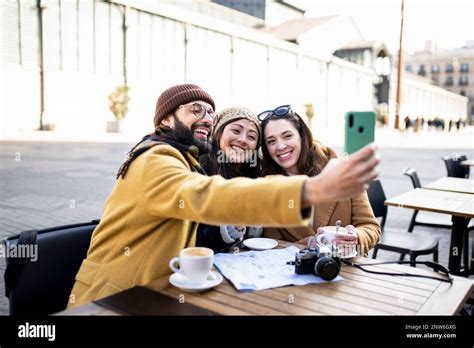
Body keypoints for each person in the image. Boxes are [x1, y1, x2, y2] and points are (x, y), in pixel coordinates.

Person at [68, 85, 379, 308]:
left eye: (211, 113)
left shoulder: (186, 160)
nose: (206, 117)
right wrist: (312, 189)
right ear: (164, 118)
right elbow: (205, 196)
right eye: (196, 110)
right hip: (109, 299)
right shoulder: (155, 158)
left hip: (157, 292)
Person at [259, 105, 380, 256]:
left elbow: (370, 227)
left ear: (302, 136)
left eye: (287, 136)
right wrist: (310, 244)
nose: (281, 146)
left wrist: (355, 237)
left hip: (348, 268)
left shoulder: (342, 170)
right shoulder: (268, 188)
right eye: (271, 141)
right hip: (297, 271)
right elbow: (273, 245)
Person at [197, 106, 263, 252]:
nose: (242, 140)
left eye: (251, 137)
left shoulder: (255, 178)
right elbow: (191, 238)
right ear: (218, 133)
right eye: (236, 131)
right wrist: (232, 225)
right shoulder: (199, 171)